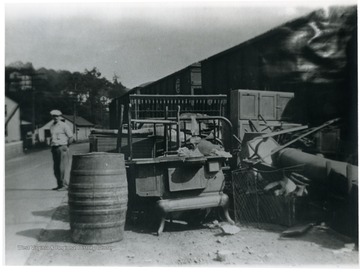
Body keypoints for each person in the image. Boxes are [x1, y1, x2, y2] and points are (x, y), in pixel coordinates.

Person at [49, 109, 73, 191]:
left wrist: (66, 146)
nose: (55, 117)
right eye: (54, 116)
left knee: (62, 167)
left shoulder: (64, 125)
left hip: (62, 147)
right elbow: (52, 138)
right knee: (56, 168)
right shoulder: (52, 126)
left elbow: (71, 137)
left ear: (60, 117)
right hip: (54, 147)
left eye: (57, 116)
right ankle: (59, 184)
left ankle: (64, 185)